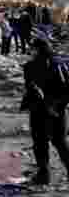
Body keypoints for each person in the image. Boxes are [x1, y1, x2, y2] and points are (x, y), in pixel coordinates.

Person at [21, 38, 69, 186]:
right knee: (60, 143)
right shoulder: (61, 64)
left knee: (40, 143)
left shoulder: (31, 66)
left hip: (40, 111)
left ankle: (44, 175)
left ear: (37, 49)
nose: (31, 51)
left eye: (32, 48)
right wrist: (58, 105)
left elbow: (31, 90)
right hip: (59, 110)